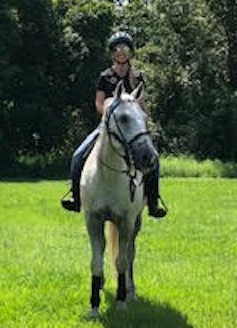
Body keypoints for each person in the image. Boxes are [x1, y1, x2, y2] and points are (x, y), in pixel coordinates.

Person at [60, 31, 166, 218]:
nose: (120, 52)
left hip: (132, 128)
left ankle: (153, 201)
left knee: (153, 159)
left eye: (124, 48)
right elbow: (99, 103)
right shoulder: (105, 76)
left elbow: (142, 104)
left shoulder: (137, 77)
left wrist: (143, 122)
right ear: (112, 53)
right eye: (116, 49)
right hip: (108, 126)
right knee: (78, 155)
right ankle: (76, 198)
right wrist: (110, 116)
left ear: (130, 52)